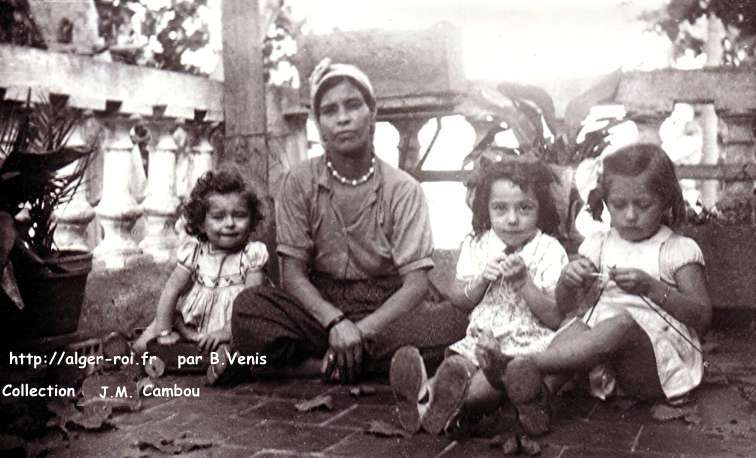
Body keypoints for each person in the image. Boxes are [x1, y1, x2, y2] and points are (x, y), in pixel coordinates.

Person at [230, 59, 467, 384]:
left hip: (385, 308)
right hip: (319, 308)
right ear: (318, 122)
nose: (343, 118)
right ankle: (352, 365)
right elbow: (293, 274)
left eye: (353, 105)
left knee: (455, 321)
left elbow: (415, 285)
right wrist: (334, 323)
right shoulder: (298, 182)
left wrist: (359, 331)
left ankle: (314, 365)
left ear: (372, 114)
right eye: (330, 111)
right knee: (249, 308)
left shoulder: (403, 189)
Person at [477, 143, 712, 436]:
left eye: (643, 205)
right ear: (605, 201)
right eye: (619, 204)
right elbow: (565, 306)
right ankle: (539, 402)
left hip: (655, 368)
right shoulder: (599, 244)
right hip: (599, 364)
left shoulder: (677, 250)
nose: (629, 215)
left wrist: (651, 288)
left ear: (665, 201)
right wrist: (568, 279)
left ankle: (518, 364)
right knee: (573, 325)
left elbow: (702, 317)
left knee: (622, 324)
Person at [390, 159, 569, 435]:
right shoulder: (477, 245)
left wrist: (524, 284)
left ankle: (439, 407)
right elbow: (459, 300)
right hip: (478, 340)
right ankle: (424, 397)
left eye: (524, 208)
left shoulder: (548, 249)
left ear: (540, 209)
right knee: (455, 370)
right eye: (500, 208)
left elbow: (555, 317)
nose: (512, 219)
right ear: (486, 209)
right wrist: (481, 280)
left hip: (522, 349)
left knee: (483, 388)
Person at [133, 169, 268, 377]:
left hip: (235, 326)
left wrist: (227, 331)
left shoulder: (251, 255)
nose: (230, 223)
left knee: (246, 351)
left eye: (239, 215)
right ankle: (134, 353)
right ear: (201, 224)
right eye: (218, 217)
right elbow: (172, 290)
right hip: (194, 326)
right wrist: (164, 332)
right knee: (158, 327)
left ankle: (221, 364)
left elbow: (251, 303)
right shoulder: (195, 252)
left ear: (251, 220)